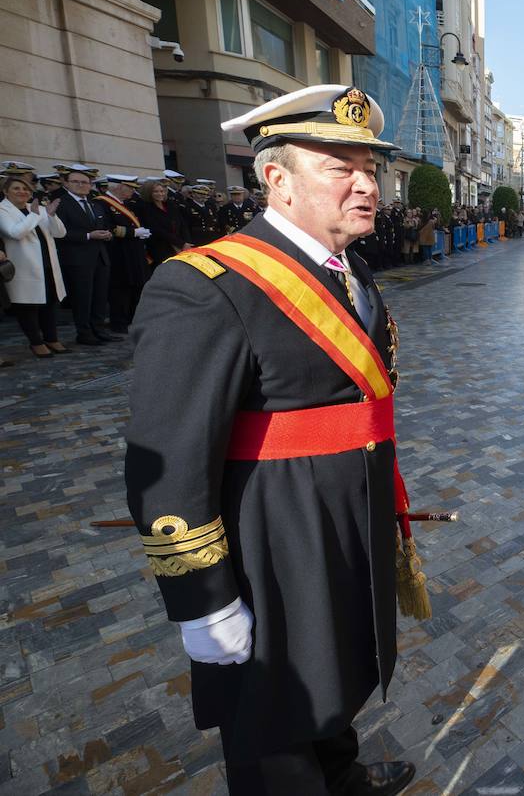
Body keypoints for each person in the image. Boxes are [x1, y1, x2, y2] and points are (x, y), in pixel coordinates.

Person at [124, 85, 416, 795]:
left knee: (336, 669)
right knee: (272, 720)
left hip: (345, 523)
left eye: (369, 168)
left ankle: (341, 774)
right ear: (275, 178)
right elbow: (167, 458)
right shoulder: (206, 285)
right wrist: (204, 598)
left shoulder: (351, 270)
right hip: (269, 542)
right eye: (339, 166)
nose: (365, 184)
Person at [0, 174, 69, 358]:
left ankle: (51, 338)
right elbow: (16, 233)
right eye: (16, 188)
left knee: (49, 302)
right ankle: (36, 342)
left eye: (25, 189)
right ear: (5, 191)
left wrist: (52, 216)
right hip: (24, 267)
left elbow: (60, 233)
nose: (22, 192)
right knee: (27, 307)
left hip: (47, 263)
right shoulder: (3, 210)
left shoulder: (34, 207)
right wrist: (35, 215)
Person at [52, 164, 121, 345]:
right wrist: (89, 236)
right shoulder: (61, 203)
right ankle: (84, 332)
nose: (81, 185)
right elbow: (60, 232)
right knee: (83, 298)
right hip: (78, 258)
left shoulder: (93, 203)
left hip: (100, 256)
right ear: (66, 183)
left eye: (85, 182)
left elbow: (104, 225)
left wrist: (107, 234)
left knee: (99, 297)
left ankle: (98, 329)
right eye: (76, 182)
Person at [97, 175, 152, 334]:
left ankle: (131, 319)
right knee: (120, 290)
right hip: (118, 253)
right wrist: (132, 232)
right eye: (130, 188)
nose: (133, 191)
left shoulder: (124, 204)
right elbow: (108, 226)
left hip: (132, 252)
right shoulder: (102, 203)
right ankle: (119, 323)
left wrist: (140, 233)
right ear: (118, 187)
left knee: (134, 286)